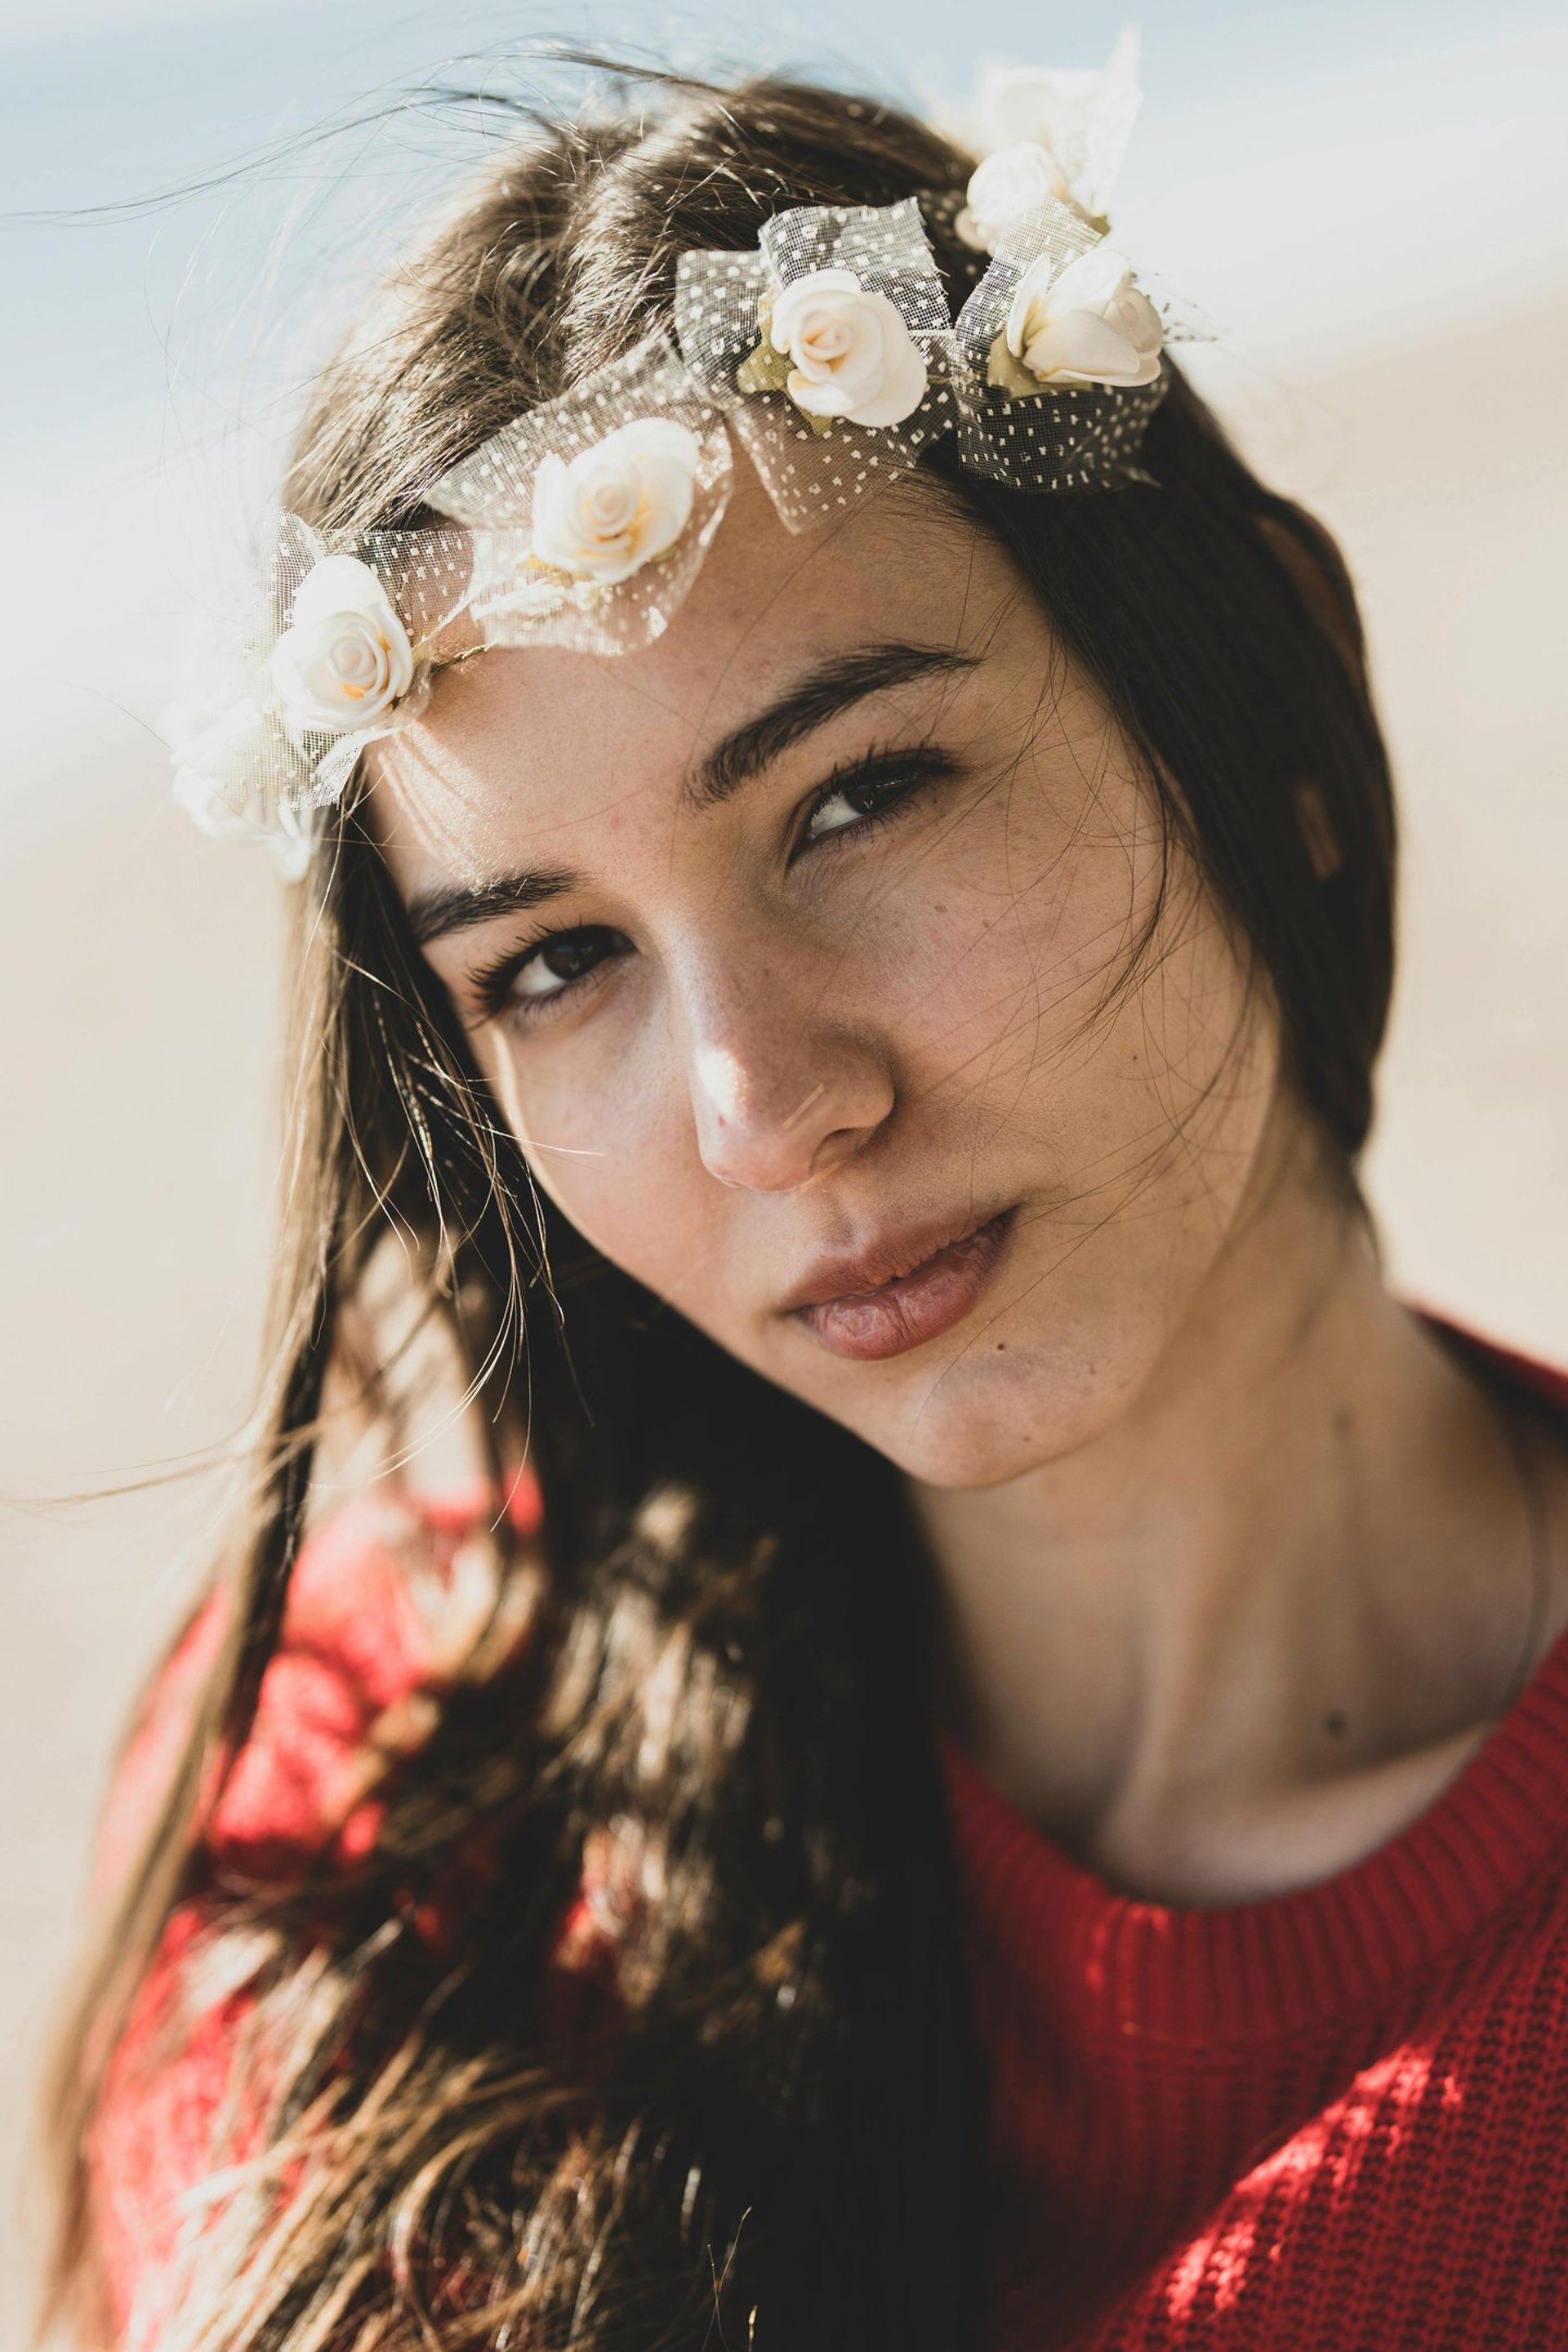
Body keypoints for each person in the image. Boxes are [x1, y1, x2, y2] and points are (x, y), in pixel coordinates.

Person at [34, 48, 1568, 2352]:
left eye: (859, 800)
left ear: (1262, 707)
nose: (764, 1107)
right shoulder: (377, 1799)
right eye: (553, 966)